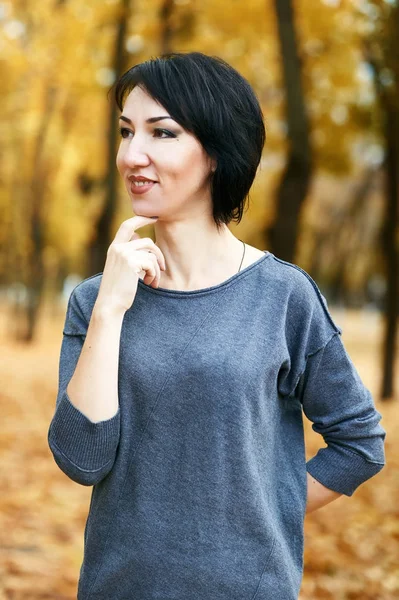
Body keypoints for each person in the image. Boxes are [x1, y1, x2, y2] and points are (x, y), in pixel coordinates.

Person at [47, 52, 386, 600]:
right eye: (127, 132)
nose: (133, 154)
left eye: (162, 133)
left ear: (215, 153)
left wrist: (265, 505)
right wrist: (111, 310)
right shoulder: (95, 300)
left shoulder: (283, 296)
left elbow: (360, 442)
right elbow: (81, 460)